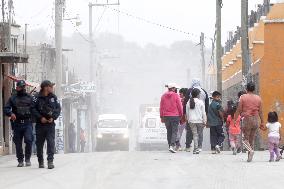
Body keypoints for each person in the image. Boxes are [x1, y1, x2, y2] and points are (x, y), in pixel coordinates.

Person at [31, 80, 61, 169]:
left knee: (51, 143)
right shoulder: (36, 97)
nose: (52, 88)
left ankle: (50, 161)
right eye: (50, 86)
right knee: (39, 144)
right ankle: (40, 161)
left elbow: (58, 109)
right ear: (45, 87)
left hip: (50, 124)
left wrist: (53, 117)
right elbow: (32, 109)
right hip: (40, 124)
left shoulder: (54, 97)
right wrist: (40, 118)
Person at [4, 80, 33, 167]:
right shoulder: (13, 98)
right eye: (20, 87)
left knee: (29, 140)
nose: (22, 88)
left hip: (27, 123)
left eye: (23, 86)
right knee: (18, 142)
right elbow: (6, 108)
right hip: (17, 123)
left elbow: (34, 108)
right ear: (17, 87)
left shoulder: (29, 97)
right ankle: (20, 160)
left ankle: (27, 159)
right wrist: (11, 113)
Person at [235, 82, 264, 162]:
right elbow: (261, 111)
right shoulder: (258, 98)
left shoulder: (243, 97)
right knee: (251, 139)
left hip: (247, 119)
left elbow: (239, 109)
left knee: (244, 140)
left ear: (246, 89)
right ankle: (249, 157)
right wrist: (262, 122)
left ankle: (250, 151)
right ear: (254, 89)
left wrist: (235, 119)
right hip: (255, 119)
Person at [184, 78, 209, 152]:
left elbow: (185, 106)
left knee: (190, 132)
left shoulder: (189, 92)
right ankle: (199, 147)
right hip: (200, 118)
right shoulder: (204, 92)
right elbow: (206, 107)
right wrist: (205, 119)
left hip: (191, 118)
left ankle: (188, 146)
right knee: (200, 134)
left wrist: (186, 117)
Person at [160, 83, 183, 153]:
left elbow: (161, 107)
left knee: (169, 131)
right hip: (175, 116)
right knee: (174, 131)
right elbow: (179, 106)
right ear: (173, 88)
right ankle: (172, 145)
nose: (176, 90)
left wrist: (161, 116)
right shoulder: (176, 95)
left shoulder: (163, 96)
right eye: (175, 88)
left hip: (166, 116)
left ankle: (170, 145)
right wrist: (181, 115)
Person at [186, 88, 207, 154]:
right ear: (197, 94)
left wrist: (189, 120)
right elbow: (203, 113)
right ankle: (199, 147)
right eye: (199, 94)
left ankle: (195, 148)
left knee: (195, 135)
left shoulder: (189, 102)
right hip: (199, 121)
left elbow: (187, 113)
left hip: (192, 121)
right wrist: (205, 121)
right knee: (200, 134)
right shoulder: (201, 102)